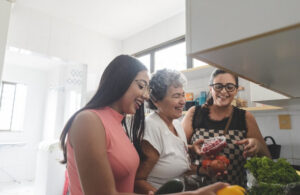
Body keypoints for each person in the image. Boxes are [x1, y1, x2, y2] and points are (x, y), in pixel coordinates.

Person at [60, 55, 227, 195]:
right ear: (120, 81)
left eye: (147, 89)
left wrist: (190, 150)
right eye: (141, 86)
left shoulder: (120, 124)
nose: (146, 96)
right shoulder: (88, 120)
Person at [182, 68, 271, 188]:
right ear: (211, 88)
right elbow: (176, 153)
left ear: (236, 90)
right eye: (218, 86)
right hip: (197, 190)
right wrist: (192, 149)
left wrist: (258, 146)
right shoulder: (194, 113)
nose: (224, 92)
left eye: (230, 87)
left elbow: (267, 158)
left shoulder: (245, 117)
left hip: (233, 190)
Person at [135, 69, 203, 194]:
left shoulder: (176, 124)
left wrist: (204, 167)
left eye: (183, 95)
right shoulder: (151, 127)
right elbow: (138, 181)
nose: (183, 101)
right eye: (176, 96)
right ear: (156, 100)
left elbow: (173, 162)